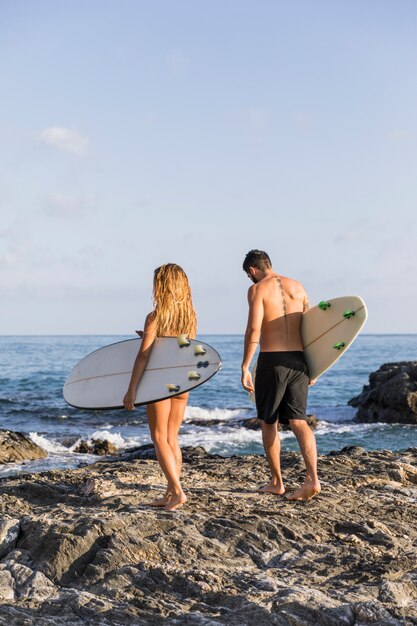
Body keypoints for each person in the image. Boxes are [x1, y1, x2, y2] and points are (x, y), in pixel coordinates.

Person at [241, 249, 321, 501]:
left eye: (248, 275)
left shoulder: (257, 289)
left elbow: (254, 329)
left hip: (272, 361)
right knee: (299, 421)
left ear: (252, 270)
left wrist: (245, 366)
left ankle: (277, 482)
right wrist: (316, 365)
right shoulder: (298, 287)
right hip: (299, 360)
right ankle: (313, 479)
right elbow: (313, 327)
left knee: (269, 421)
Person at [123, 263, 197, 511]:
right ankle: (169, 493)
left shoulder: (155, 316)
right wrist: (148, 335)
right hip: (182, 382)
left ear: (162, 286)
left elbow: (143, 356)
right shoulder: (190, 316)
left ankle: (177, 492)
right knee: (172, 437)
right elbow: (181, 349)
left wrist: (132, 388)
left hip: (160, 384)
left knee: (158, 437)